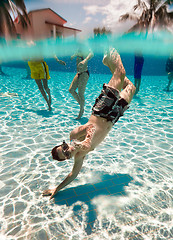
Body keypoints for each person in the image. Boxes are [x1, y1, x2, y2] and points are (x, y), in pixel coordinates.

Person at [43, 48, 136, 199]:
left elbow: (89, 127)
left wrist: (86, 141)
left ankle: (111, 46)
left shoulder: (74, 135)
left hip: (102, 109)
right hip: (112, 117)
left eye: (64, 146)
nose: (68, 149)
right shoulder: (79, 156)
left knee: (121, 71)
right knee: (131, 87)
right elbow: (73, 175)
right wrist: (57, 188)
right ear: (67, 158)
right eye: (66, 153)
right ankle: (108, 64)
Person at [69, 48, 93, 119]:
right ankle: (82, 106)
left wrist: (85, 60)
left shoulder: (85, 47)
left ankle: (81, 111)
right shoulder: (78, 49)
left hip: (84, 74)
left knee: (80, 93)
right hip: (78, 73)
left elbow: (91, 53)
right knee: (71, 90)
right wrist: (73, 55)